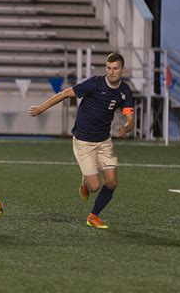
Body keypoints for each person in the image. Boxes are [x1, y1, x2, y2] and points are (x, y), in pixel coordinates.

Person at [29, 52, 134, 229]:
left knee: (112, 182)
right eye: (108, 68)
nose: (111, 72)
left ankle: (93, 216)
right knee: (94, 186)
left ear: (122, 69)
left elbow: (130, 118)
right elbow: (64, 94)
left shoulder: (125, 91)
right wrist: (40, 109)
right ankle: (85, 181)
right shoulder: (95, 83)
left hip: (104, 141)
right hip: (83, 140)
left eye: (115, 68)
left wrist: (126, 127)